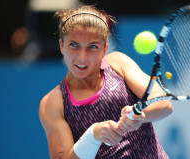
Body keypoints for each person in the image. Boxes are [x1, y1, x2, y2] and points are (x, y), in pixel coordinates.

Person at [39, 4, 173, 159]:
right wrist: (93, 135)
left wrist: (141, 115)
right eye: (74, 45)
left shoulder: (118, 63)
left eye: (92, 47)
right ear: (62, 45)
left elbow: (164, 103)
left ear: (104, 49)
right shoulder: (53, 103)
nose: (82, 57)